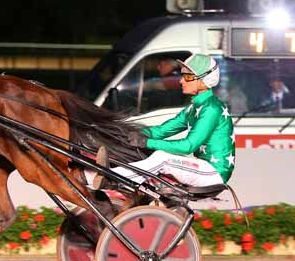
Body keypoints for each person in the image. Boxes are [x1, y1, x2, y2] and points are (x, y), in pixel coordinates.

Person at [91, 53, 235, 190]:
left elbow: (188, 146)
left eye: (187, 77)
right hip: (203, 167)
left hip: (214, 173)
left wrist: (146, 142)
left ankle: (113, 179)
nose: (181, 81)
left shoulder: (211, 109)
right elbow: (162, 130)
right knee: (151, 154)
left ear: (203, 80)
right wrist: (133, 133)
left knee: (162, 158)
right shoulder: (194, 107)